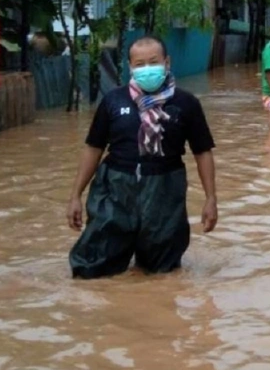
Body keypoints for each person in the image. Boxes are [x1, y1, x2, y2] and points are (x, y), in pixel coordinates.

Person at [66, 35, 218, 279]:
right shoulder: (113, 101)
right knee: (92, 268)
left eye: (153, 62)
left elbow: (202, 152)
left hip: (164, 190)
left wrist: (211, 198)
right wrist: (75, 195)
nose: (147, 69)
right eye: (139, 64)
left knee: (161, 271)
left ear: (167, 62)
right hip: (115, 187)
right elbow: (93, 148)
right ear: (130, 67)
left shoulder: (186, 103)